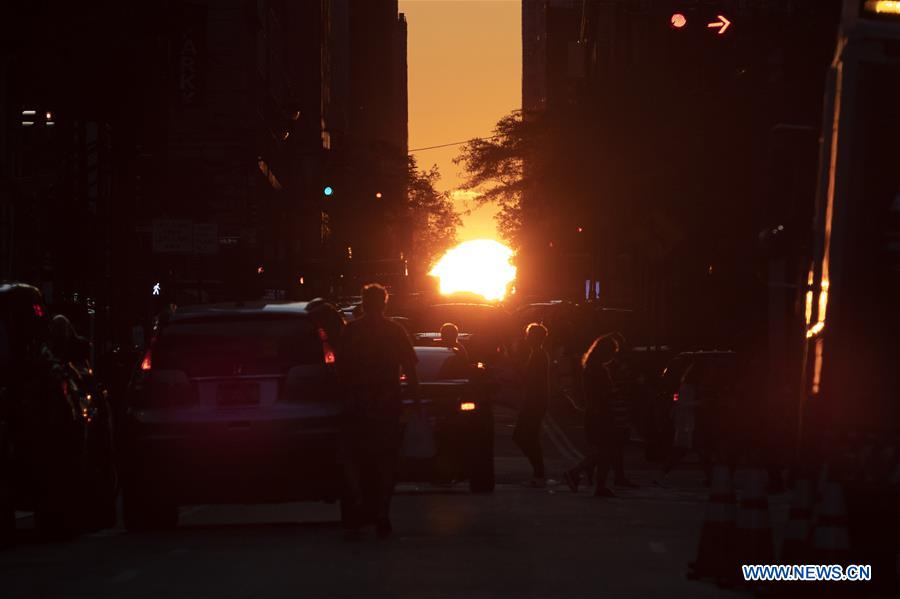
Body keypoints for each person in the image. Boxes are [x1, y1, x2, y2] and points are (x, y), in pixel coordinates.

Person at [337, 283, 419, 538]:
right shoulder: (394, 331)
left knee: (352, 456)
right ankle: (382, 512)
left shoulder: (351, 332)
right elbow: (410, 368)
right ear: (384, 303)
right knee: (386, 460)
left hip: (356, 403)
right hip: (386, 403)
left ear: (363, 303)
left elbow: (340, 368)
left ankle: (359, 499)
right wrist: (414, 400)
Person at [562, 334, 619, 497]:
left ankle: (586, 477)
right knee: (605, 451)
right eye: (612, 352)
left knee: (602, 451)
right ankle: (580, 474)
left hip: (594, 413)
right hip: (601, 414)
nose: (613, 356)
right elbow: (603, 394)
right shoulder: (599, 370)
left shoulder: (589, 368)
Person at [513, 322, 552, 488]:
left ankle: (539, 472)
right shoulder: (537, 354)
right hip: (535, 400)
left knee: (523, 436)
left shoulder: (538, 356)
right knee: (528, 436)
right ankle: (538, 473)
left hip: (534, 401)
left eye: (529, 335)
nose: (526, 338)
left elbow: (533, 381)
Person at [607, 332, 638, 488]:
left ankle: (618, 475)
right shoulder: (616, 364)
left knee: (613, 445)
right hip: (618, 407)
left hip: (614, 407)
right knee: (616, 445)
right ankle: (579, 470)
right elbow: (629, 381)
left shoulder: (606, 364)